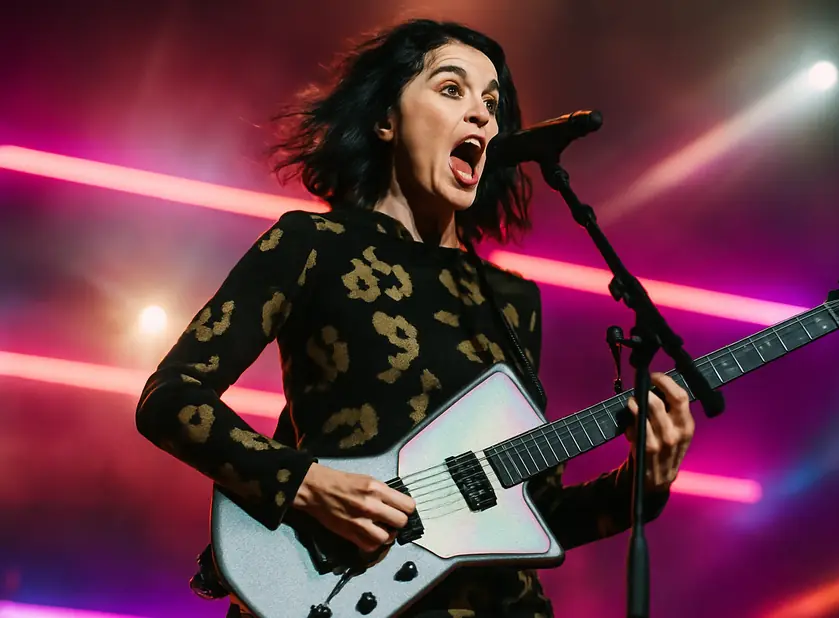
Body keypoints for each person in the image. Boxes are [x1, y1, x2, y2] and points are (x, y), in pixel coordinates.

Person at [135, 18, 695, 618]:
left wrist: (645, 481)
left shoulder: (511, 302)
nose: (482, 114)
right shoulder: (314, 245)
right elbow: (171, 398)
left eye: (492, 101)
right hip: (351, 598)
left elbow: (537, 513)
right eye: (452, 89)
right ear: (386, 120)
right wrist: (305, 484)